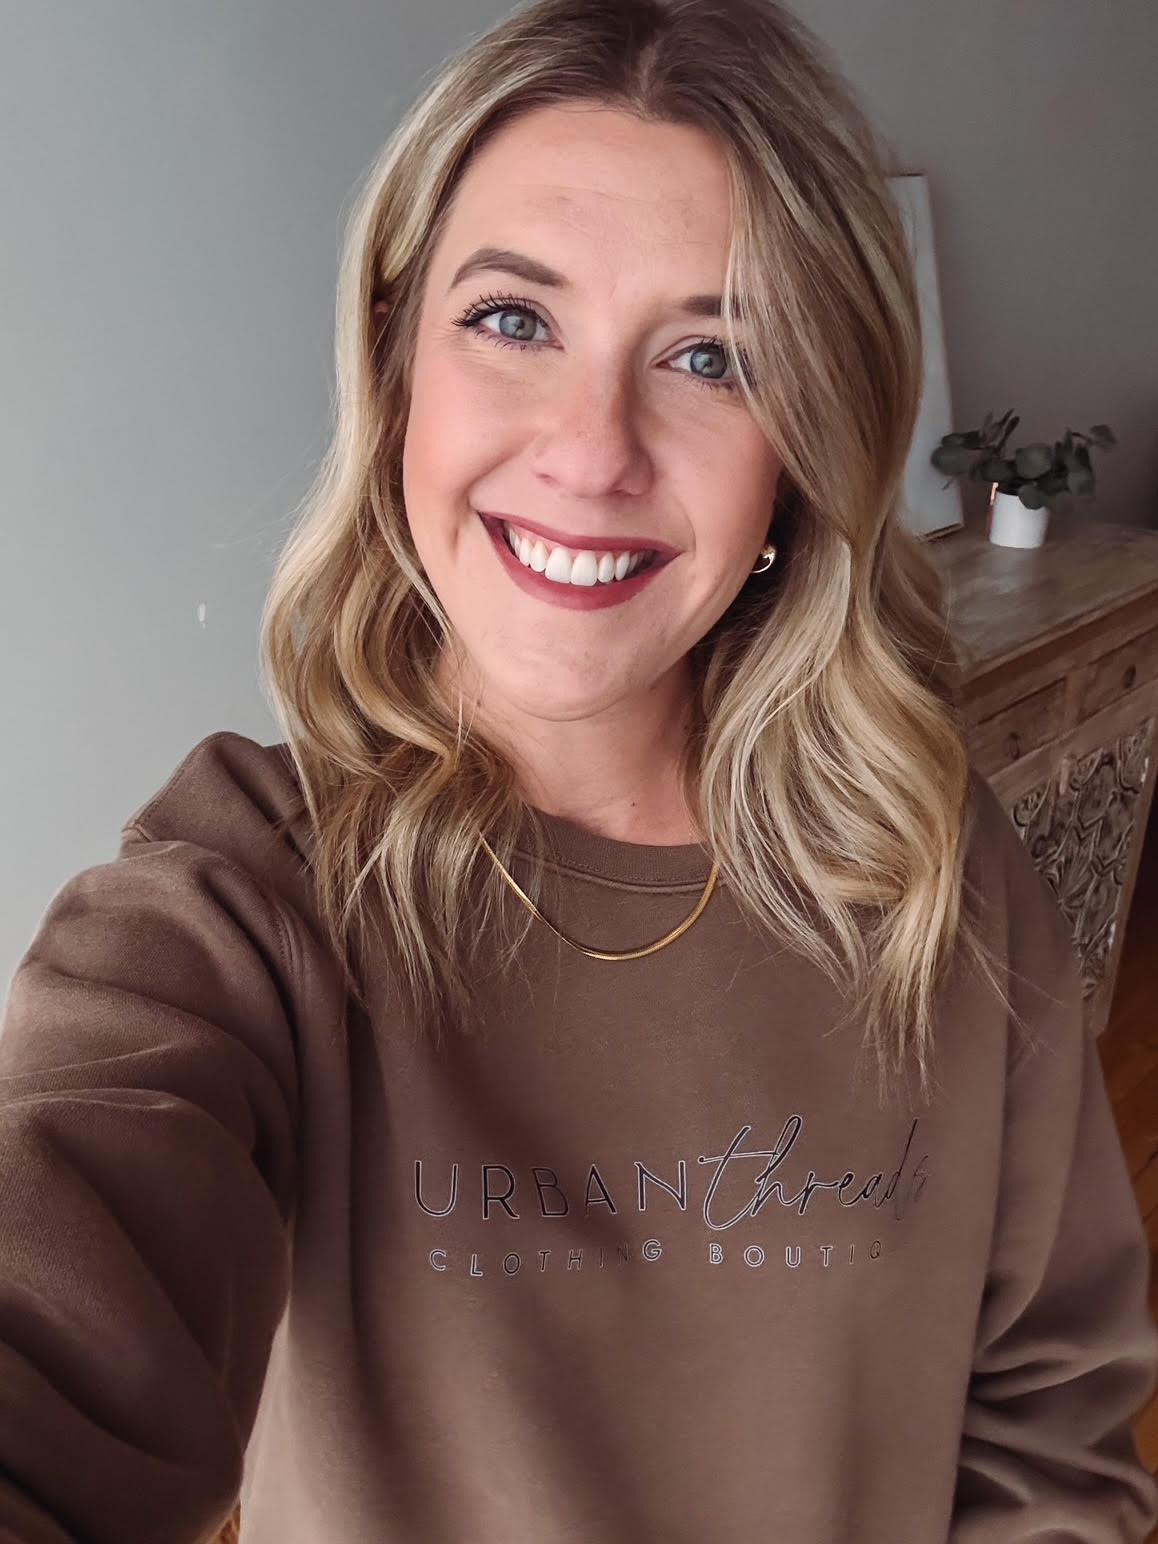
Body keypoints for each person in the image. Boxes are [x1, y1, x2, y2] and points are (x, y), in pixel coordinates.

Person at [1, 0, 1155, 1539]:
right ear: (395, 359)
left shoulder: (936, 872)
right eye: (513, 320)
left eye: (709, 355)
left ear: (802, 450)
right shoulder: (242, 897)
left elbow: (1049, 1426)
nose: (592, 449)